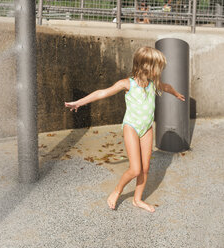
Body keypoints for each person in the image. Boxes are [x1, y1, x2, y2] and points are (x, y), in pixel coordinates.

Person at [64, 47, 185, 213]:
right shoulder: (127, 84)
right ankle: (117, 191)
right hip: (132, 127)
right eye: (158, 68)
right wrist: (79, 102)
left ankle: (137, 199)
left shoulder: (153, 84)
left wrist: (176, 94)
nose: (160, 71)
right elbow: (101, 93)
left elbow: (167, 87)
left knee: (145, 168)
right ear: (145, 67)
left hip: (146, 128)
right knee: (135, 169)